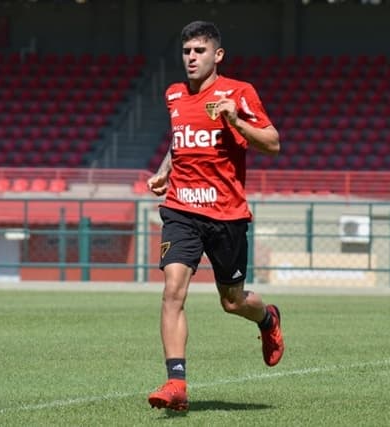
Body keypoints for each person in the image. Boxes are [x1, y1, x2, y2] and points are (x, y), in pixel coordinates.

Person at [146, 20, 285, 412]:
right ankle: (176, 383)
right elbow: (180, 141)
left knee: (232, 301)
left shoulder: (239, 93)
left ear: (217, 55)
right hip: (181, 209)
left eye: (199, 51)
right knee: (173, 290)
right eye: (187, 51)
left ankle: (267, 319)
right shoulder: (174, 94)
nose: (191, 58)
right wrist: (164, 171)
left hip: (226, 214)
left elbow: (273, 143)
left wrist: (235, 120)